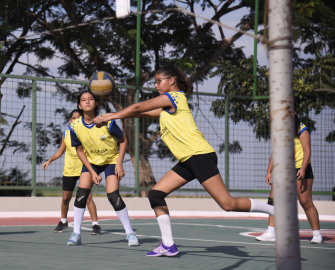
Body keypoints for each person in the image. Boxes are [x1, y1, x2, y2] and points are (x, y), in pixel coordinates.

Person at [94, 65, 275, 257]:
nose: (156, 85)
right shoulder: (168, 106)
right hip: (189, 159)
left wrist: (113, 115)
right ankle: (168, 245)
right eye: (155, 82)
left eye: (158, 81)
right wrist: (108, 116)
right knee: (155, 195)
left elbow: (139, 106)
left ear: (171, 80)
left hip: (199, 156)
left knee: (227, 204)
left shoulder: (173, 97)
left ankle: (275, 211)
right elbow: (141, 113)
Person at [66, 90, 139, 246]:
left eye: (90, 99)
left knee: (113, 196)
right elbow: (79, 150)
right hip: (91, 162)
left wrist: (119, 163)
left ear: (96, 103)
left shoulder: (108, 121)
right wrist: (92, 172)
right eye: (83, 100)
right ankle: (76, 234)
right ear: (79, 105)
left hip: (111, 160)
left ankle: (130, 233)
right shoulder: (75, 127)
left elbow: (123, 140)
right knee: (81, 194)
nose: (87, 101)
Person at [256, 111, 322, 244]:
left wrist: (303, 169)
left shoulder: (302, 129)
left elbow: (307, 150)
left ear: (294, 112)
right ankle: (270, 232)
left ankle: (317, 234)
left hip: (301, 169)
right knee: (273, 199)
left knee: (305, 201)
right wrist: (269, 171)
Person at [42, 109, 101, 235]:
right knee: (65, 198)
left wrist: (96, 169)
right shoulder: (66, 133)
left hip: (84, 169)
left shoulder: (88, 132)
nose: (75, 120)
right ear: (70, 120)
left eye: (78, 118)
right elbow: (60, 151)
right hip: (69, 170)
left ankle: (95, 225)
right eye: (73, 118)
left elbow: (94, 151)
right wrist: (49, 160)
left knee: (88, 197)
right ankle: (63, 222)